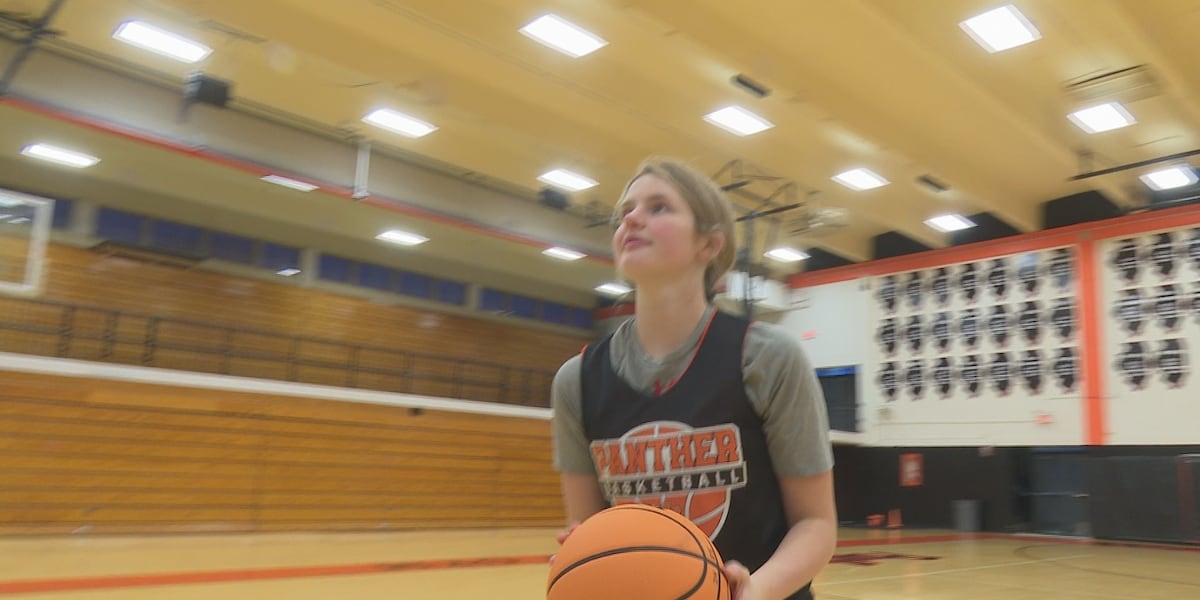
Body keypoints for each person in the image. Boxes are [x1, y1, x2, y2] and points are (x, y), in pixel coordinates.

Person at [550, 157, 837, 600]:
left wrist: (753, 590)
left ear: (709, 245)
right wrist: (583, 559)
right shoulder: (577, 381)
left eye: (659, 206)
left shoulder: (768, 358)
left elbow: (816, 524)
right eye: (625, 210)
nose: (631, 217)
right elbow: (588, 527)